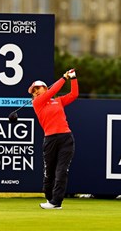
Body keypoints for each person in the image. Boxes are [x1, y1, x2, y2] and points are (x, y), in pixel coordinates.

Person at [29, 68, 79, 210]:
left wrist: (73, 78)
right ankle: (50, 198)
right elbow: (52, 92)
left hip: (66, 138)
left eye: (38, 88)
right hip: (50, 140)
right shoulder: (37, 103)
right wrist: (64, 78)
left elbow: (74, 94)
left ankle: (56, 202)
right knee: (49, 172)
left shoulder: (59, 101)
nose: (36, 91)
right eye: (33, 90)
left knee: (61, 171)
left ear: (45, 87)